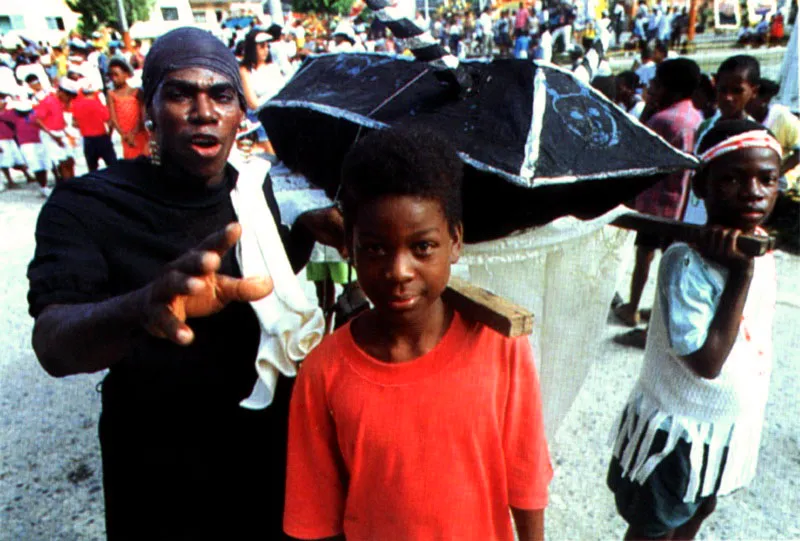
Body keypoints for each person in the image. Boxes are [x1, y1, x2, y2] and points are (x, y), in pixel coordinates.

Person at [27, 27, 343, 539]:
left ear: (241, 113)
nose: (204, 111)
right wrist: (143, 307)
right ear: (148, 109)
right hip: (160, 465)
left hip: (275, 455)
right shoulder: (87, 206)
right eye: (180, 93)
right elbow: (53, 345)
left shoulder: (270, 196)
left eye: (221, 95)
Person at [283, 127, 553, 540]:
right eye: (375, 248)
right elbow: (316, 514)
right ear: (347, 247)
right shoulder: (323, 371)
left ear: (455, 241)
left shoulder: (501, 345)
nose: (399, 271)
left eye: (423, 247)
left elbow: (527, 476)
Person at [607, 119, 782, 540]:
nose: (752, 191)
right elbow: (706, 362)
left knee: (697, 513)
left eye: (766, 179)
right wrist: (739, 274)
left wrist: (748, 262)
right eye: (732, 180)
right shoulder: (685, 262)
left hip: (721, 427)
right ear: (701, 187)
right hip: (677, 432)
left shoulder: (760, 247)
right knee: (654, 527)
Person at [614, 59, 703, 337]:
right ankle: (665, 312)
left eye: (655, 84)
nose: (651, 88)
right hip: (683, 203)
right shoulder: (696, 118)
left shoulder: (662, 120)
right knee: (674, 260)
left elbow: (639, 153)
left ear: (669, 88)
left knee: (644, 256)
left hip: (656, 203)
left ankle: (632, 308)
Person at [685, 55, 760, 225]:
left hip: (725, 226)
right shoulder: (705, 127)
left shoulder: (754, 136)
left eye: (737, 91)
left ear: (753, 91)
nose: (728, 98)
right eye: (723, 90)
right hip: (693, 216)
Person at [239, 28, 285, 154]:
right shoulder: (245, 70)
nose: (266, 50)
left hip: (277, 113)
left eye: (267, 46)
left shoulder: (273, 67)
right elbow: (253, 103)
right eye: (261, 47)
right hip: (259, 117)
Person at [0, 97, 50, 196]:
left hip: (18, 139)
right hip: (14, 141)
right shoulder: (10, 114)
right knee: (6, 161)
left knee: (26, 162)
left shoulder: (17, 113)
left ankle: (33, 179)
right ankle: (11, 181)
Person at [34, 78, 79, 181]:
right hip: (50, 134)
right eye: (68, 96)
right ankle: (69, 186)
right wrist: (53, 136)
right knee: (62, 162)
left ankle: (73, 182)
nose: (69, 99)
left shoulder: (60, 102)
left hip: (60, 132)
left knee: (70, 160)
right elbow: (37, 120)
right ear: (62, 92)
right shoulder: (48, 101)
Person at [107, 57, 149, 160]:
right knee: (131, 162)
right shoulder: (111, 94)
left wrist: (133, 133)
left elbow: (141, 115)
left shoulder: (136, 92)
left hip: (139, 133)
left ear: (126, 75)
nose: (114, 78)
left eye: (116, 75)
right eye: (111, 75)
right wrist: (124, 135)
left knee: (144, 159)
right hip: (125, 136)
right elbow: (113, 118)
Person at [71, 79, 116, 171]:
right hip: (102, 137)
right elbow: (110, 121)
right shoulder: (98, 105)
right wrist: (110, 134)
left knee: (92, 169)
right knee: (113, 166)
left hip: (87, 139)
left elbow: (74, 123)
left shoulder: (76, 105)